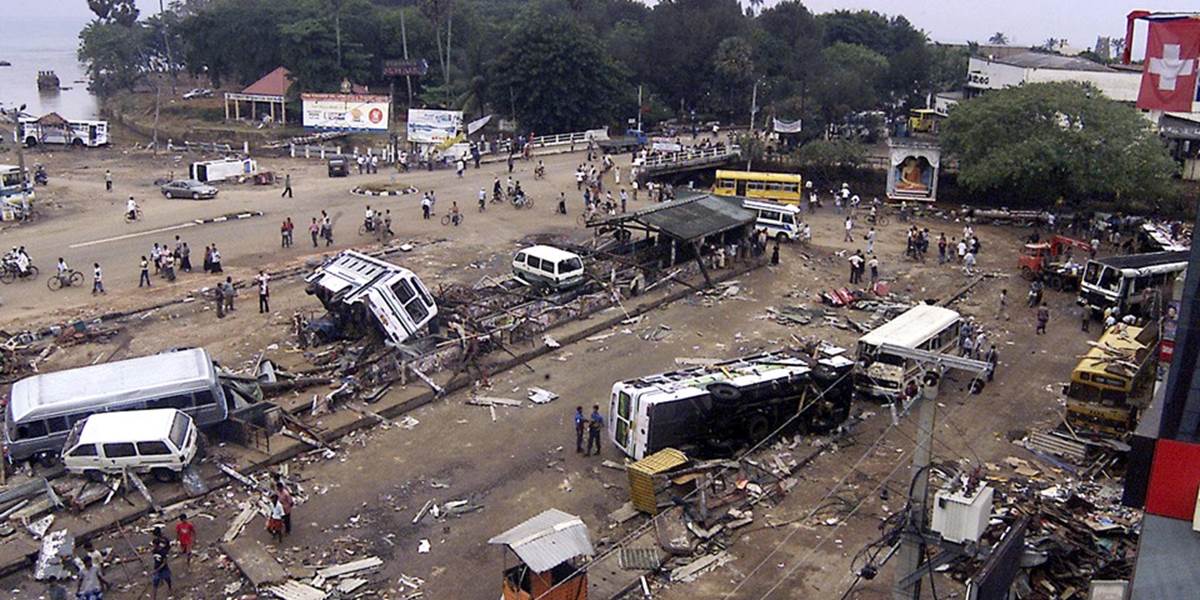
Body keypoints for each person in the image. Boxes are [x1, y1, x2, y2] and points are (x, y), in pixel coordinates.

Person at [150, 528, 172, 600]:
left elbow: (164, 562)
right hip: (157, 569)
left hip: (163, 569)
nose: (153, 546)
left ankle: (169, 587)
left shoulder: (162, 551)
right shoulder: (154, 551)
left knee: (167, 578)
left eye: (154, 545)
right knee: (155, 584)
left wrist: (156, 570)